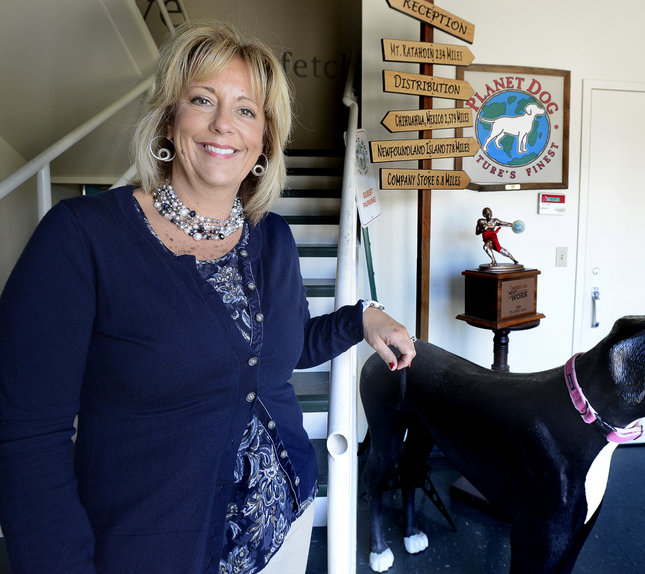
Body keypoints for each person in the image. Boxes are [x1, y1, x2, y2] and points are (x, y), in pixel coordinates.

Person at [0, 20, 415, 574]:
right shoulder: (81, 237)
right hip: (148, 550)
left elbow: (276, 354)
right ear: (170, 120)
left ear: (264, 139)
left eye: (246, 110)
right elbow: (26, 437)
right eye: (202, 100)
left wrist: (362, 317)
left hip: (282, 526)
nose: (224, 124)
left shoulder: (272, 239)